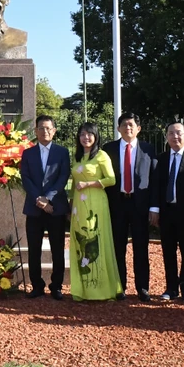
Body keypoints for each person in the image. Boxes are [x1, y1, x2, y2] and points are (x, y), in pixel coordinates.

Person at [103, 112, 156, 301]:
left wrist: (154, 208)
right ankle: (120, 286)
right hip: (117, 204)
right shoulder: (108, 149)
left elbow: (155, 180)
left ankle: (143, 288)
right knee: (118, 247)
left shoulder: (149, 149)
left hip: (139, 204)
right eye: (124, 125)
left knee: (141, 247)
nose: (128, 128)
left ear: (138, 129)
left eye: (132, 125)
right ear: (118, 128)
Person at [69, 122, 123, 301]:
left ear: (96, 136)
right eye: (83, 134)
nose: (86, 138)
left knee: (96, 240)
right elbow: (74, 183)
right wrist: (70, 203)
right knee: (80, 242)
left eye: (90, 134)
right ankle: (82, 289)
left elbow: (111, 179)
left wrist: (89, 184)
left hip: (96, 203)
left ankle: (102, 289)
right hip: (79, 205)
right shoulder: (77, 157)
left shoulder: (101, 155)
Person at [20, 115, 71, 300]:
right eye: (41, 128)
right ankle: (37, 285)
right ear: (35, 131)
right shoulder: (28, 153)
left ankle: (56, 286)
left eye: (48, 128)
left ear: (54, 131)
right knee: (34, 249)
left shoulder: (62, 152)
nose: (45, 131)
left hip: (55, 208)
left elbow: (63, 177)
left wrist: (48, 199)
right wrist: (39, 199)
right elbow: (25, 178)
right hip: (34, 208)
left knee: (57, 248)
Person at [152, 120, 184, 303]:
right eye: (171, 133)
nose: (175, 136)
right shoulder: (160, 160)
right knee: (168, 252)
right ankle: (171, 288)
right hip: (166, 212)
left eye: (179, 133)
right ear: (166, 137)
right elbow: (156, 186)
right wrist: (155, 210)